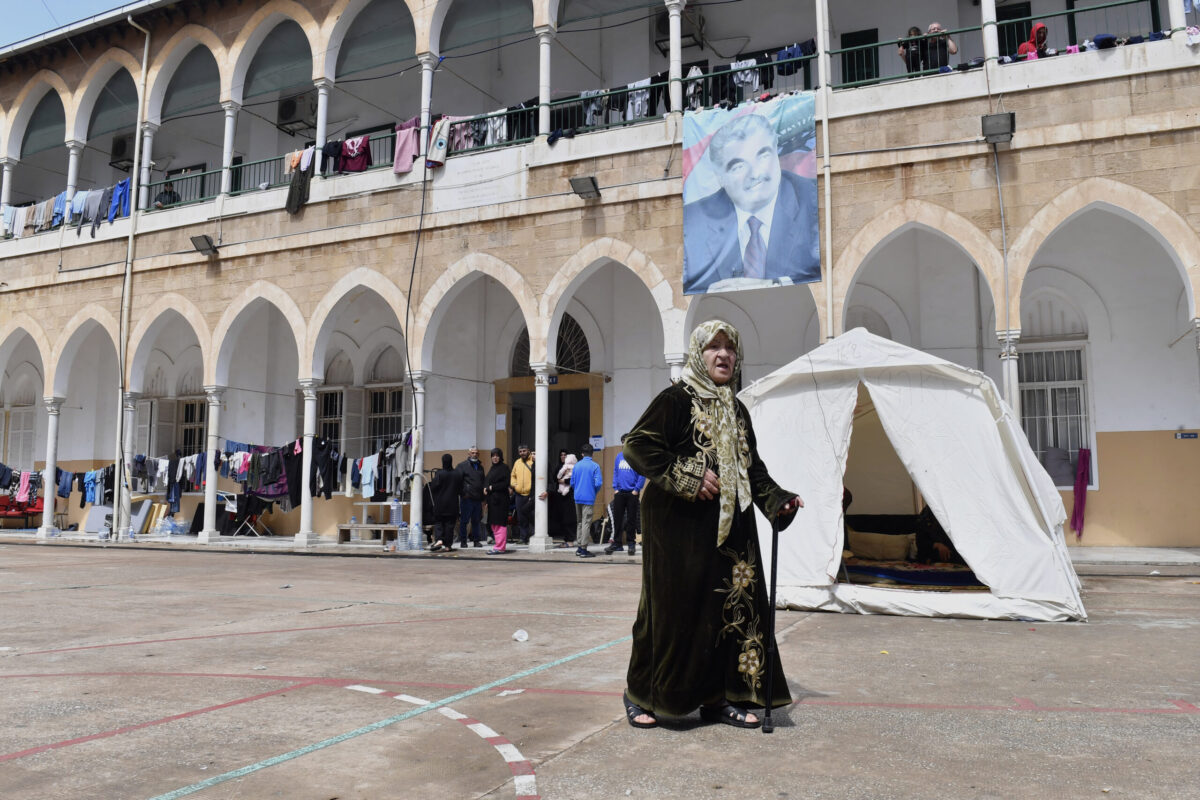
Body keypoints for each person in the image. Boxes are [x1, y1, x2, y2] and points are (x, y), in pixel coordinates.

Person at [621, 321, 802, 730]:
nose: (723, 355)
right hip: (677, 531)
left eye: (730, 348)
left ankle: (719, 699)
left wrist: (778, 501)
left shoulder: (736, 409)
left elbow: (752, 470)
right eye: (713, 348)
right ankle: (641, 693)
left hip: (731, 532)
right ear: (698, 354)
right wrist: (687, 474)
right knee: (669, 615)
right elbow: (637, 445)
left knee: (725, 614)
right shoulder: (676, 399)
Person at [682, 112, 820, 294]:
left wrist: (773, 284)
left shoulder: (811, 201)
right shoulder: (693, 222)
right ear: (720, 177)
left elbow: (835, 274)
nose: (754, 173)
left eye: (763, 156)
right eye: (738, 166)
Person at [605, 434, 644, 555]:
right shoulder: (618, 457)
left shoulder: (636, 457)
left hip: (632, 493)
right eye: (622, 441)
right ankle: (617, 543)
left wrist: (636, 489)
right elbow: (615, 472)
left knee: (632, 519)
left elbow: (642, 474)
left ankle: (631, 544)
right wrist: (615, 488)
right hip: (620, 493)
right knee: (618, 519)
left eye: (626, 441)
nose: (623, 443)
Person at [570, 443, 603, 558]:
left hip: (577, 497)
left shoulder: (577, 466)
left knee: (579, 522)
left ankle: (579, 547)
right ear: (592, 454)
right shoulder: (595, 466)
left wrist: (578, 490)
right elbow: (598, 483)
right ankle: (584, 549)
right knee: (586, 523)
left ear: (582, 454)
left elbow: (572, 483)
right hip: (589, 498)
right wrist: (593, 492)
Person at [428, 454, 464, 552]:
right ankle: (448, 545)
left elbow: (433, 487)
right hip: (453, 505)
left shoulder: (439, 474)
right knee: (450, 525)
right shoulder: (457, 474)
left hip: (440, 504)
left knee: (439, 523)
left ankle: (439, 540)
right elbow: (461, 490)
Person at [455, 446, 486, 547]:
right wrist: (463, 494)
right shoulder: (462, 466)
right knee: (464, 521)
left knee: (476, 521)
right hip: (467, 499)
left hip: (477, 499)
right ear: (468, 454)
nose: (475, 454)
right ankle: (463, 541)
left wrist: (483, 499)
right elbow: (457, 482)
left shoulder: (480, 467)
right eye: (473, 453)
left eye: (476, 453)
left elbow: (482, 482)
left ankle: (476, 541)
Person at [483, 448, 511, 554]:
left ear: (500, 456)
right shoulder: (492, 468)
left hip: (501, 501)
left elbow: (505, 483)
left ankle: (500, 547)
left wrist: (491, 488)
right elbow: (487, 481)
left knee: (500, 524)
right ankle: (498, 545)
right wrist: (485, 488)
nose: (495, 458)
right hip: (492, 502)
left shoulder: (504, 468)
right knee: (494, 524)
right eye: (493, 456)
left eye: (497, 456)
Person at [509, 443, 535, 544]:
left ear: (528, 450)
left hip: (530, 494)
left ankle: (533, 536)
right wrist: (514, 485)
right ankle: (523, 537)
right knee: (521, 517)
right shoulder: (517, 462)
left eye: (524, 451)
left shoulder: (533, 461)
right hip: (519, 494)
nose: (522, 453)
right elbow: (513, 475)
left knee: (532, 516)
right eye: (520, 451)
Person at [551, 451, 577, 545]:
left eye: (565, 455)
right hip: (560, 496)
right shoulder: (559, 467)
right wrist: (561, 477)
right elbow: (555, 478)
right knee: (561, 518)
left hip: (570, 495)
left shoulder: (575, 467)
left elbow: (574, 479)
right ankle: (566, 539)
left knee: (569, 518)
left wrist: (564, 481)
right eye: (561, 455)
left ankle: (570, 539)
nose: (563, 456)